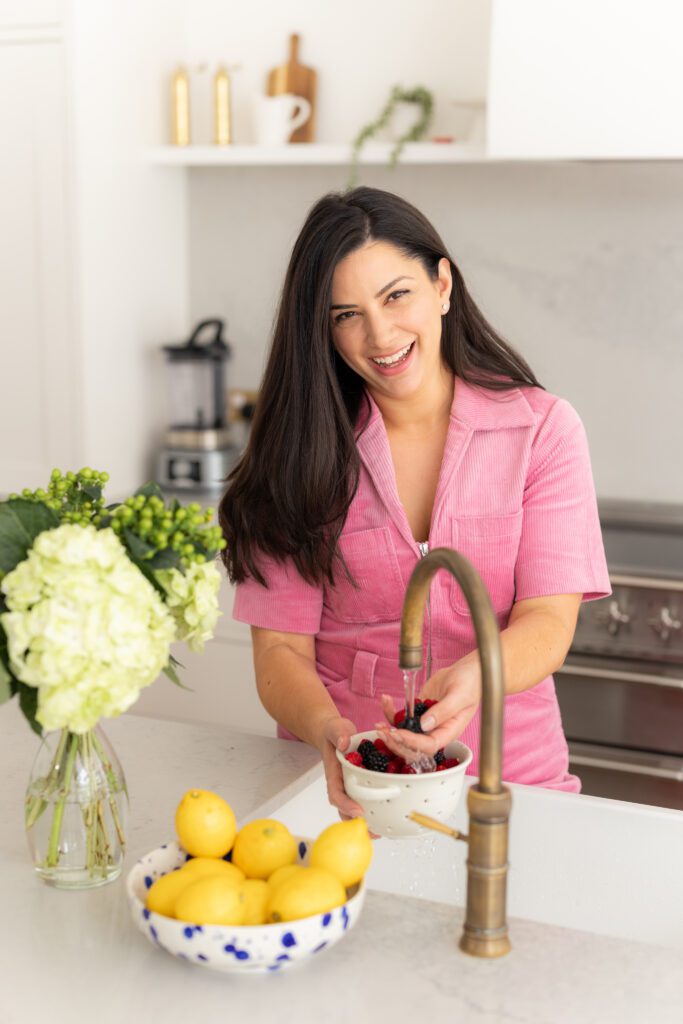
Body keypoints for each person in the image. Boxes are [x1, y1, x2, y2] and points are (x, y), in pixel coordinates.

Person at [218, 186, 611, 820]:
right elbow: (280, 653)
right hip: (345, 786)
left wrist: (475, 674)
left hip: (510, 781)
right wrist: (332, 733)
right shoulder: (297, 453)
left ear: (442, 286)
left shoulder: (542, 431)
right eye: (346, 314)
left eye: (396, 295)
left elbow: (548, 623)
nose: (380, 334)